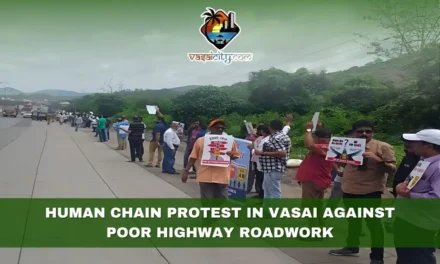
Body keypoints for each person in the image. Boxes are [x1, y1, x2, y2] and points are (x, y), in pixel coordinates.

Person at [329, 120, 397, 264]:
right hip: (349, 189)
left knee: (374, 225)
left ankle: (377, 258)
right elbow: (340, 163)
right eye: (360, 131)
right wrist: (336, 161)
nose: (364, 134)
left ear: (372, 132)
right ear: (354, 132)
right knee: (353, 221)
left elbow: (392, 169)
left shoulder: (382, 147)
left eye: (368, 131)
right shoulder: (347, 145)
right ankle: (352, 246)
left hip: (370, 192)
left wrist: (378, 160)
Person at [394, 129, 440, 264]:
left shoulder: (438, 167)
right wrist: (399, 188)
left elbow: (437, 198)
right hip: (407, 218)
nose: (412, 145)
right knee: (405, 257)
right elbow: (409, 185)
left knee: (420, 257)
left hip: (420, 223)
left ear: (429, 146)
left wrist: (410, 196)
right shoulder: (424, 161)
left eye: (416, 142)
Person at [181, 119, 239, 198]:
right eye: (217, 127)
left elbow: (236, 155)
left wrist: (232, 155)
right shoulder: (201, 141)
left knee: (223, 201)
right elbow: (193, 157)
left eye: (222, 128)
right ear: (210, 128)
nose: (220, 129)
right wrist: (186, 171)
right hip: (206, 177)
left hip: (222, 177)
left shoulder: (230, 142)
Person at [254, 119, 291, 199]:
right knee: (267, 189)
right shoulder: (281, 135)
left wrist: (262, 153)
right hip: (271, 167)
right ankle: (266, 209)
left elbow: (282, 152)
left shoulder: (276, 138)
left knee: (274, 191)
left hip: (274, 167)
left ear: (270, 127)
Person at [248, 124, 271, 198]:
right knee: (258, 178)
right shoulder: (260, 138)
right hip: (256, 161)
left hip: (262, 162)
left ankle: (262, 195)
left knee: (262, 179)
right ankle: (260, 193)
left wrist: (252, 148)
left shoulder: (267, 140)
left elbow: (258, 151)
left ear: (262, 131)